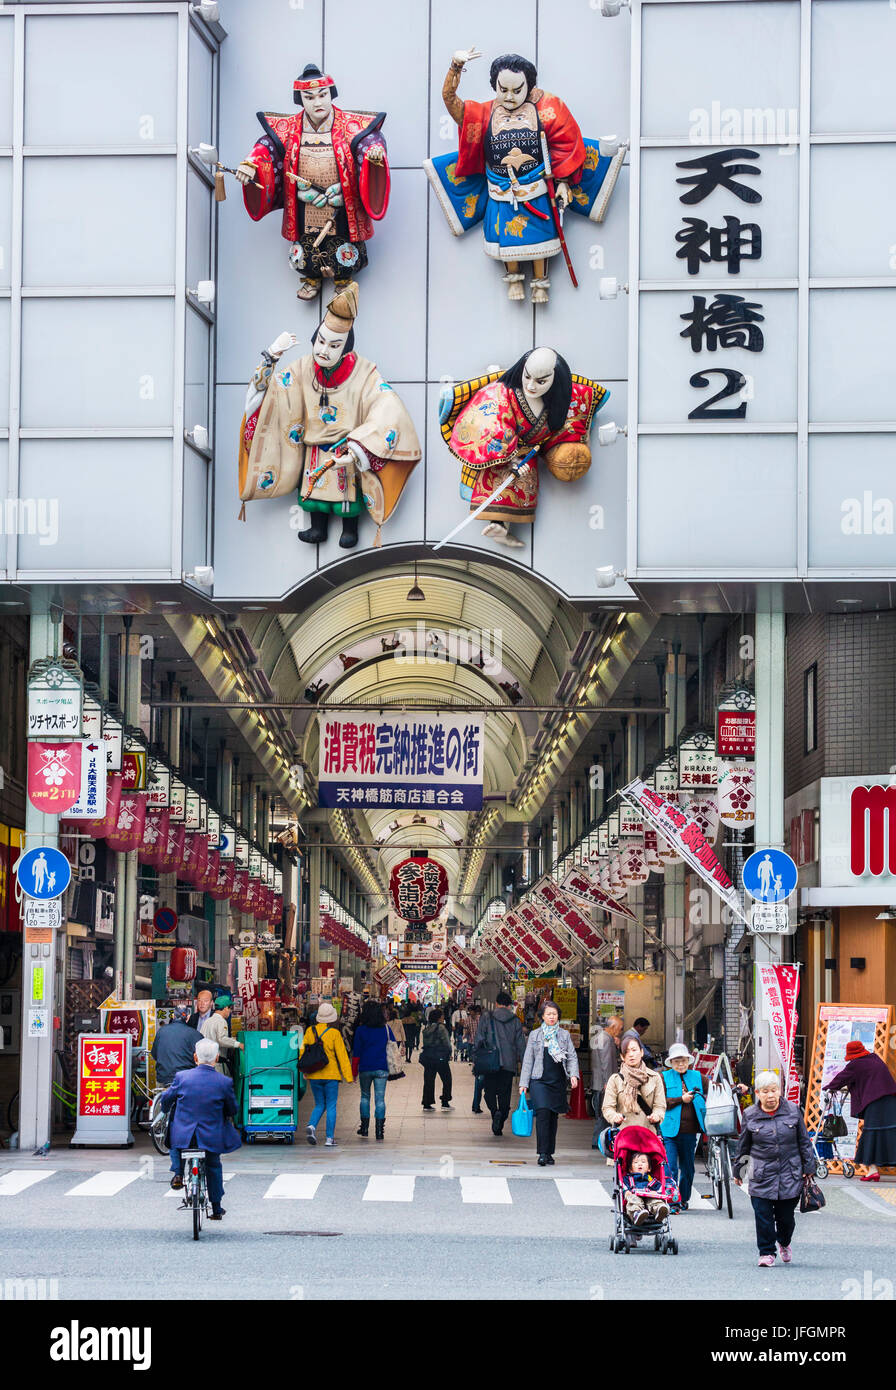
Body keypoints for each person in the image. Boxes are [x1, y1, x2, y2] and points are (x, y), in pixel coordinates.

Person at [238, 282, 421, 550]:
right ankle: (318, 527)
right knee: (314, 491)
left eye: (333, 345)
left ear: (345, 347)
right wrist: (272, 355)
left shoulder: (365, 373)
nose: (323, 350)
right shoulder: (302, 369)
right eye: (320, 342)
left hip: (345, 449)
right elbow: (273, 394)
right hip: (313, 447)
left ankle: (349, 528)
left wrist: (359, 445)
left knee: (347, 493)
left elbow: (387, 404)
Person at [235, 63, 390, 297]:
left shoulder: (351, 127)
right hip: (304, 201)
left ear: (331, 94)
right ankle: (311, 278)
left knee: (343, 241)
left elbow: (370, 142)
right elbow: (265, 147)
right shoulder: (289, 130)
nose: (317, 103)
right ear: (301, 100)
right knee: (306, 243)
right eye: (310, 97)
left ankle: (342, 280)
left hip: (340, 198)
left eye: (322, 95)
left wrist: (374, 154)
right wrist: (251, 164)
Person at [733, 1070, 817, 1267]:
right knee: (762, 1216)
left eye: (774, 1090)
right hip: (760, 1172)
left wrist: (808, 1166)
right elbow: (743, 1145)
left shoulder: (793, 1110)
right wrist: (739, 1171)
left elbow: (804, 1141)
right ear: (758, 1094)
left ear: (779, 1090)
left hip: (790, 1172)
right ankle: (766, 1252)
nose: (770, 1095)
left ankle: (784, 1242)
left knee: (786, 1219)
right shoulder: (750, 1114)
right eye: (765, 1091)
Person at [160, 1037, 241, 1221]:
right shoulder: (224, 1082)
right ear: (217, 1058)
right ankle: (217, 1208)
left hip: (184, 1135)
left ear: (195, 1057)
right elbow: (232, 1109)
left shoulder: (182, 1077)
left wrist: (165, 1109)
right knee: (213, 1166)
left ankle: (178, 1172)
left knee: (174, 1134)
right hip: (211, 1137)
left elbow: (167, 1098)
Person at [825, 1039, 896, 1181]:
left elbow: (840, 1079)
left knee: (871, 1135)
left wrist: (827, 1087)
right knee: (889, 1133)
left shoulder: (856, 1064)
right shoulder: (874, 1058)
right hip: (890, 1101)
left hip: (875, 1104)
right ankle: (873, 1169)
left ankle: (873, 1170)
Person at [519, 1001, 579, 1166]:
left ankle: (550, 1152)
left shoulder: (564, 1035)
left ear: (558, 1015)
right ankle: (542, 1153)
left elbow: (572, 1057)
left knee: (553, 1116)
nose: (552, 1017)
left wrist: (573, 1075)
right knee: (543, 1112)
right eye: (548, 1014)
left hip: (557, 1080)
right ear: (542, 1017)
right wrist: (523, 1083)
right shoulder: (535, 1035)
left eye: (554, 1014)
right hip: (539, 1080)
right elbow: (528, 1060)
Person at [299, 999, 354, 1147]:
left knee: (319, 1104)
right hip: (331, 1076)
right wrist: (349, 1077)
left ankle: (312, 1125)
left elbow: (303, 1052)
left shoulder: (310, 1031)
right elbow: (342, 1056)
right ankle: (329, 1139)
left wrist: (304, 1071)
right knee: (331, 1106)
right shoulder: (334, 1033)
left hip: (314, 1075)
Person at [660, 1043, 706, 1210]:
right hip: (669, 1131)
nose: (681, 1064)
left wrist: (735, 1088)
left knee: (688, 1168)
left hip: (690, 1131)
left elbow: (714, 1087)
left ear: (689, 1061)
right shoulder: (663, 1077)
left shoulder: (697, 1076)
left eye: (684, 1060)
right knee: (671, 1166)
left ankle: (684, 1198)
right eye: (677, 1061)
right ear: (671, 1063)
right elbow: (660, 1102)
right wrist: (681, 1099)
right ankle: (672, 1201)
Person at [474, 992, 526, 1136]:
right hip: (508, 1063)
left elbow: (479, 1037)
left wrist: (476, 1055)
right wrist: (524, 1063)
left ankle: (494, 1112)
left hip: (490, 1061)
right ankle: (501, 1117)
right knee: (505, 1093)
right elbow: (520, 1044)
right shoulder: (515, 1020)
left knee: (489, 1091)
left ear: (496, 1003)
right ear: (509, 1005)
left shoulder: (487, 1016)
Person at [602, 1034, 666, 1133]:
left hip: (648, 1135)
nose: (631, 1054)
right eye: (626, 1052)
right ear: (622, 1057)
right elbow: (607, 1107)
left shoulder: (654, 1077)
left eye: (634, 1050)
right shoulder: (615, 1080)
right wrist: (614, 1117)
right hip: (624, 1136)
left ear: (641, 1052)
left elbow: (660, 1106)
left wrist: (657, 1116)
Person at [352, 1000, 395, 1141]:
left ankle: (364, 1128)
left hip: (365, 1067)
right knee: (380, 1099)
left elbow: (356, 1053)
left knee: (365, 1097)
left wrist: (354, 1072)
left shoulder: (360, 1030)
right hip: (382, 1067)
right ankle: (379, 1131)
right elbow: (393, 1045)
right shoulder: (386, 1029)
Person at [590, 1015, 623, 1149]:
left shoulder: (603, 1038)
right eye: (620, 1029)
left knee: (603, 1114)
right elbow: (606, 1064)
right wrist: (609, 1082)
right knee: (604, 1114)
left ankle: (598, 1141)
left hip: (599, 1082)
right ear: (613, 1027)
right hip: (603, 1083)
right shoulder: (605, 1039)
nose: (620, 1031)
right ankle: (598, 1141)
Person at [150, 1003, 202, 1086]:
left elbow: (154, 1054)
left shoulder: (161, 1032)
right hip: (186, 1080)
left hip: (164, 1079)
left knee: (162, 1098)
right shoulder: (195, 1034)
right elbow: (202, 1060)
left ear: (173, 1015)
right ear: (188, 1017)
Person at [621, 1150, 671, 1227]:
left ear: (649, 1169)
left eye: (643, 1162)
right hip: (635, 1196)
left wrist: (657, 1193)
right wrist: (626, 1191)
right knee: (633, 1200)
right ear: (630, 1169)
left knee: (654, 1200)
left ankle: (659, 1210)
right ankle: (637, 1214)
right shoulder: (628, 1178)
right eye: (636, 1162)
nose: (640, 1164)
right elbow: (622, 1185)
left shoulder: (650, 1179)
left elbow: (660, 1187)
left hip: (649, 1196)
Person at [199, 995, 244, 1075]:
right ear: (226, 1008)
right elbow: (222, 1039)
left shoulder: (207, 1021)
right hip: (217, 1065)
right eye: (230, 1008)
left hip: (205, 1065)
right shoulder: (221, 1021)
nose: (230, 1011)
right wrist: (239, 1044)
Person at [420, 1008, 453, 1111]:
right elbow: (447, 1043)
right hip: (440, 1057)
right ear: (439, 1018)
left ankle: (427, 1103)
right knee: (447, 1079)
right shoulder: (441, 1028)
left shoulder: (427, 1028)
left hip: (429, 1057)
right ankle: (445, 1102)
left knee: (429, 1080)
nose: (443, 1018)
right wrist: (449, 1053)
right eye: (442, 1016)